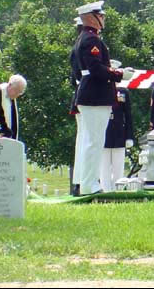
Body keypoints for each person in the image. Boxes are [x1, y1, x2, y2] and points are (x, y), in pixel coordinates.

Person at [73, 0, 134, 195]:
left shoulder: (86, 38)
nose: (104, 18)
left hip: (92, 94)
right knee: (94, 141)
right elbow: (96, 69)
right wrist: (119, 74)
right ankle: (89, 184)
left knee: (93, 141)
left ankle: (88, 182)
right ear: (92, 17)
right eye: (101, 15)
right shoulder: (91, 40)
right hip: (95, 95)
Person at [101, 59, 134, 192]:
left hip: (119, 133)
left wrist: (129, 136)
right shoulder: (100, 90)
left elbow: (128, 116)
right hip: (103, 132)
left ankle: (118, 190)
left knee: (118, 166)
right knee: (103, 167)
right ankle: (105, 190)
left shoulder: (123, 92)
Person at [0, 74, 27, 140]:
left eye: (20, 92)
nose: (17, 94)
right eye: (16, 91)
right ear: (9, 85)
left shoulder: (11, 98)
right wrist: (7, 133)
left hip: (8, 139)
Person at [70, 16, 84, 196]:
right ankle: (81, 181)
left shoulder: (78, 46)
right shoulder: (82, 47)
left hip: (82, 96)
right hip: (87, 96)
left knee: (84, 141)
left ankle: (80, 181)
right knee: (85, 141)